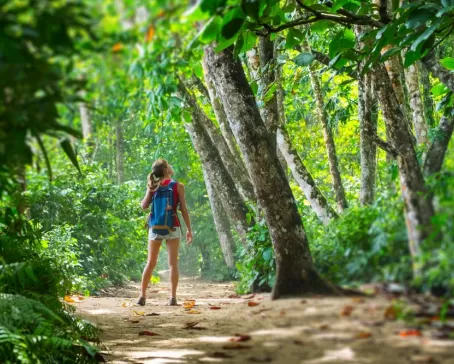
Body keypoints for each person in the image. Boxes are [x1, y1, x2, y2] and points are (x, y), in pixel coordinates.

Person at [138, 159, 193, 306]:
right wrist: (189, 229)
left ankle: (142, 296)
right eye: (168, 165)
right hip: (172, 227)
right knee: (173, 264)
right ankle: (172, 298)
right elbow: (184, 210)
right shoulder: (178, 186)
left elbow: (143, 206)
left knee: (150, 262)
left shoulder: (153, 186)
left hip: (155, 227)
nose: (171, 167)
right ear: (165, 170)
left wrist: (148, 190)